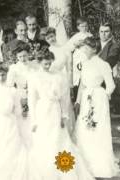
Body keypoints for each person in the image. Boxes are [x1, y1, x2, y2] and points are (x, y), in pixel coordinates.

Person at [28, 50, 95, 180]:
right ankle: (44, 172)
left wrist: (64, 115)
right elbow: (32, 99)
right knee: (44, 139)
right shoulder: (34, 77)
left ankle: (63, 169)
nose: (48, 66)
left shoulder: (59, 76)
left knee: (59, 138)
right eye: (45, 64)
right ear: (39, 62)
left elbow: (64, 98)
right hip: (42, 110)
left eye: (49, 63)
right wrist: (34, 120)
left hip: (55, 110)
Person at [75, 37, 119, 179]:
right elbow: (82, 84)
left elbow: (111, 85)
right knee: (85, 129)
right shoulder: (85, 64)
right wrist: (78, 101)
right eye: (84, 48)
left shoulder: (103, 64)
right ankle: (85, 164)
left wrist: (103, 96)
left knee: (97, 129)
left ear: (94, 49)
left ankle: (99, 165)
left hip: (98, 99)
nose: (84, 50)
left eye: (87, 48)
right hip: (86, 98)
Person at [6, 45, 34, 146]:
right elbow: (9, 85)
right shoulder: (14, 68)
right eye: (20, 56)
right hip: (20, 94)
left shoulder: (33, 65)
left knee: (33, 118)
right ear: (17, 57)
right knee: (23, 118)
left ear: (28, 55)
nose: (23, 58)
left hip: (33, 94)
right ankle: (24, 143)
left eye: (25, 56)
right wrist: (19, 95)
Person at [66, 17, 93, 101]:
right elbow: (68, 47)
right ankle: (77, 98)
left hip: (87, 58)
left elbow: (94, 46)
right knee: (77, 78)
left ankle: (86, 98)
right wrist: (75, 44)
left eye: (86, 26)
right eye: (82, 26)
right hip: (78, 59)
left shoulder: (90, 35)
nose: (84, 28)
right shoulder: (76, 36)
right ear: (78, 27)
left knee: (86, 78)